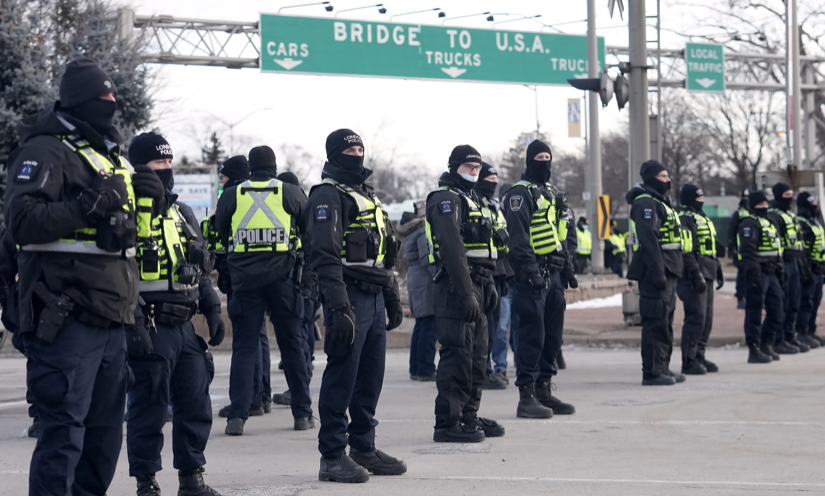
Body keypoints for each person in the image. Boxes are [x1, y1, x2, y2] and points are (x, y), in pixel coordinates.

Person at [5, 57, 155, 495]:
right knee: (63, 436)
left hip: (112, 316)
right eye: (104, 95)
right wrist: (91, 203)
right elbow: (22, 223)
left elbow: (126, 241)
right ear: (83, 101)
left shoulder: (107, 157)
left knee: (103, 440)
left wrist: (149, 204)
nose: (113, 101)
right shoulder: (44, 150)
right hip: (66, 316)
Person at [125, 132, 224, 496]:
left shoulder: (182, 213)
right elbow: (121, 272)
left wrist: (211, 308)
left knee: (195, 403)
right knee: (148, 408)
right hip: (150, 324)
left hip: (184, 325)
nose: (166, 170)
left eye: (169, 163)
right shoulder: (129, 211)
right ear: (139, 168)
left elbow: (199, 266)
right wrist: (133, 323)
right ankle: (146, 482)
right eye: (157, 164)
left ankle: (191, 478)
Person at [306, 129, 406, 483]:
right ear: (335, 154)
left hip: (375, 297)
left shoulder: (366, 195)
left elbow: (385, 253)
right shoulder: (327, 195)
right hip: (349, 296)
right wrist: (339, 307)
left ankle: (363, 446)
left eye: (360, 147)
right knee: (342, 375)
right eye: (350, 148)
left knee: (370, 377)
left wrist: (391, 295)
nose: (357, 153)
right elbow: (324, 256)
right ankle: (332, 455)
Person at [216, 146, 313, 435]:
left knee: (244, 348)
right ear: (273, 166)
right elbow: (309, 234)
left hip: (245, 281)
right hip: (283, 278)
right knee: (293, 345)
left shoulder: (233, 194)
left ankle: (237, 417)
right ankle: (302, 414)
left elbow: (223, 232)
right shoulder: (290, 193)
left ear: (250, 166)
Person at [426, 147, 504, 441]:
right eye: (469, 166)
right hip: (457, 287)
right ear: (455, 166)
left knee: (477, 356)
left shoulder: (473, 200)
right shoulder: (446, 199)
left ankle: (468, 416)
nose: (474, 172)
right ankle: (447, 423)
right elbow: (452, 249)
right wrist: (466, 292)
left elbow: (484, 247)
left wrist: (490, 284)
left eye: (477, 167)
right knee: (457, 356)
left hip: (480, 283)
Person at [506, 140, 576, 418]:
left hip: (553, 275)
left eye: (548, 157)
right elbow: (518, 237)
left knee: (552, 337)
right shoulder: (520, 194)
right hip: (531, 277)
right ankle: (527, 395)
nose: (545, 162)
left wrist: (568, 267)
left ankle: (545, 389)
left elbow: (560, 234)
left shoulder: (552, 193)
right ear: (529, 161)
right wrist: (532, 271)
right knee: (530, 335)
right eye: (540, 157)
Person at [626, 160, 684, 386]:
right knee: (655, 322)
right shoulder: (646, 204)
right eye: (663, 176)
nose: (668, 180)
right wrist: (658, 271)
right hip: (656, 272)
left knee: (665, 321)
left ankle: (663, 367)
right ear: (650, 179)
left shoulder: (660, 203)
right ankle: (652, 372)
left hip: (669, 268)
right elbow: (649, 240)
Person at [272, 170, 319, 406]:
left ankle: (299, 389)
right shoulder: (306, 205)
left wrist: (306, 286)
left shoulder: (292, 208)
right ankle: (301, 387)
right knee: (304, 335)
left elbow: (307, 250)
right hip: (310, 283)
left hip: (302, 283)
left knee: (299, 338)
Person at [676, 184, 723, 375]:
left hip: (708, 270)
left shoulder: (702, 217)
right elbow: (687, 250)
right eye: (698, 198)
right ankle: (688, 360)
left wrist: (717, 268)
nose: (701, 201)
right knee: (696, 317)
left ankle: (699, 355)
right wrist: (696, 275)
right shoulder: (685, 219)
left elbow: (708, 248)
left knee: (707, 319)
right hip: (693, 275)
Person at [475, 162, 513, 389]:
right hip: (481, 273)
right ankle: (483, 371)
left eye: (495, 181)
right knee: (484, 326)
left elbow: (502, 241)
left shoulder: (494, 206)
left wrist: (506, 274)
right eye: (489, 180)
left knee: (495, 324)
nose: (493, 184)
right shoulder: (474, 204)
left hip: (498, 273)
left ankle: (489, 368)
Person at [736, 189, 784, 363]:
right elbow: (748, 251)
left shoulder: (770, 222)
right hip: (759, 273)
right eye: (760, 204)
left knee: (777, 311)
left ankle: (767, 343)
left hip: (773, 273)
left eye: (765, 203)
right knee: (754, 311)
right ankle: (754, 348)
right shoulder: (749, 223)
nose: (764, 206)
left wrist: (781, 269)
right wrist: (754, 274)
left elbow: (777, 249)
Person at [399, 200, 437, 382]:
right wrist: (437, 275)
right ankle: (425, 369)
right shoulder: (423, 231)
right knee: (429, 324)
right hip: (425, 279)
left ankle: (416, 367)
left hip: (416, 277)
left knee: (421, 324)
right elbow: (427, 257)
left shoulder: (412, 231)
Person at [768, 183, 808, 353]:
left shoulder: (791, 215)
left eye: (791, 194)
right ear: (778, 196)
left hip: (796, 262)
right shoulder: (774, 215)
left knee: (794, 302)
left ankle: (789, 336)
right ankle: (778, 339)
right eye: (786, 194)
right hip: (784, 261)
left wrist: (804, 264)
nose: (790, 198)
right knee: (782, 303)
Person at [794, 193, 825, 347]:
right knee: (806, 301)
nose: (814, 207)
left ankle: (811, 331)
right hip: (809, 268)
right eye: (811, 204)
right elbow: (802, 250)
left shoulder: (816, 222)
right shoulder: (801, 223)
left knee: (816, 301)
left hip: (819, 267)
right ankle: (802, 332)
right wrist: (805, 269)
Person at [729, 189, 750, 309]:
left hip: (753, 251)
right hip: (740, 251)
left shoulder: (755, 212)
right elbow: (731, 232)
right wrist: (732, 249)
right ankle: (740, 298)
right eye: (745, 197)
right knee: (742, 276)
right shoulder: (738, 214)